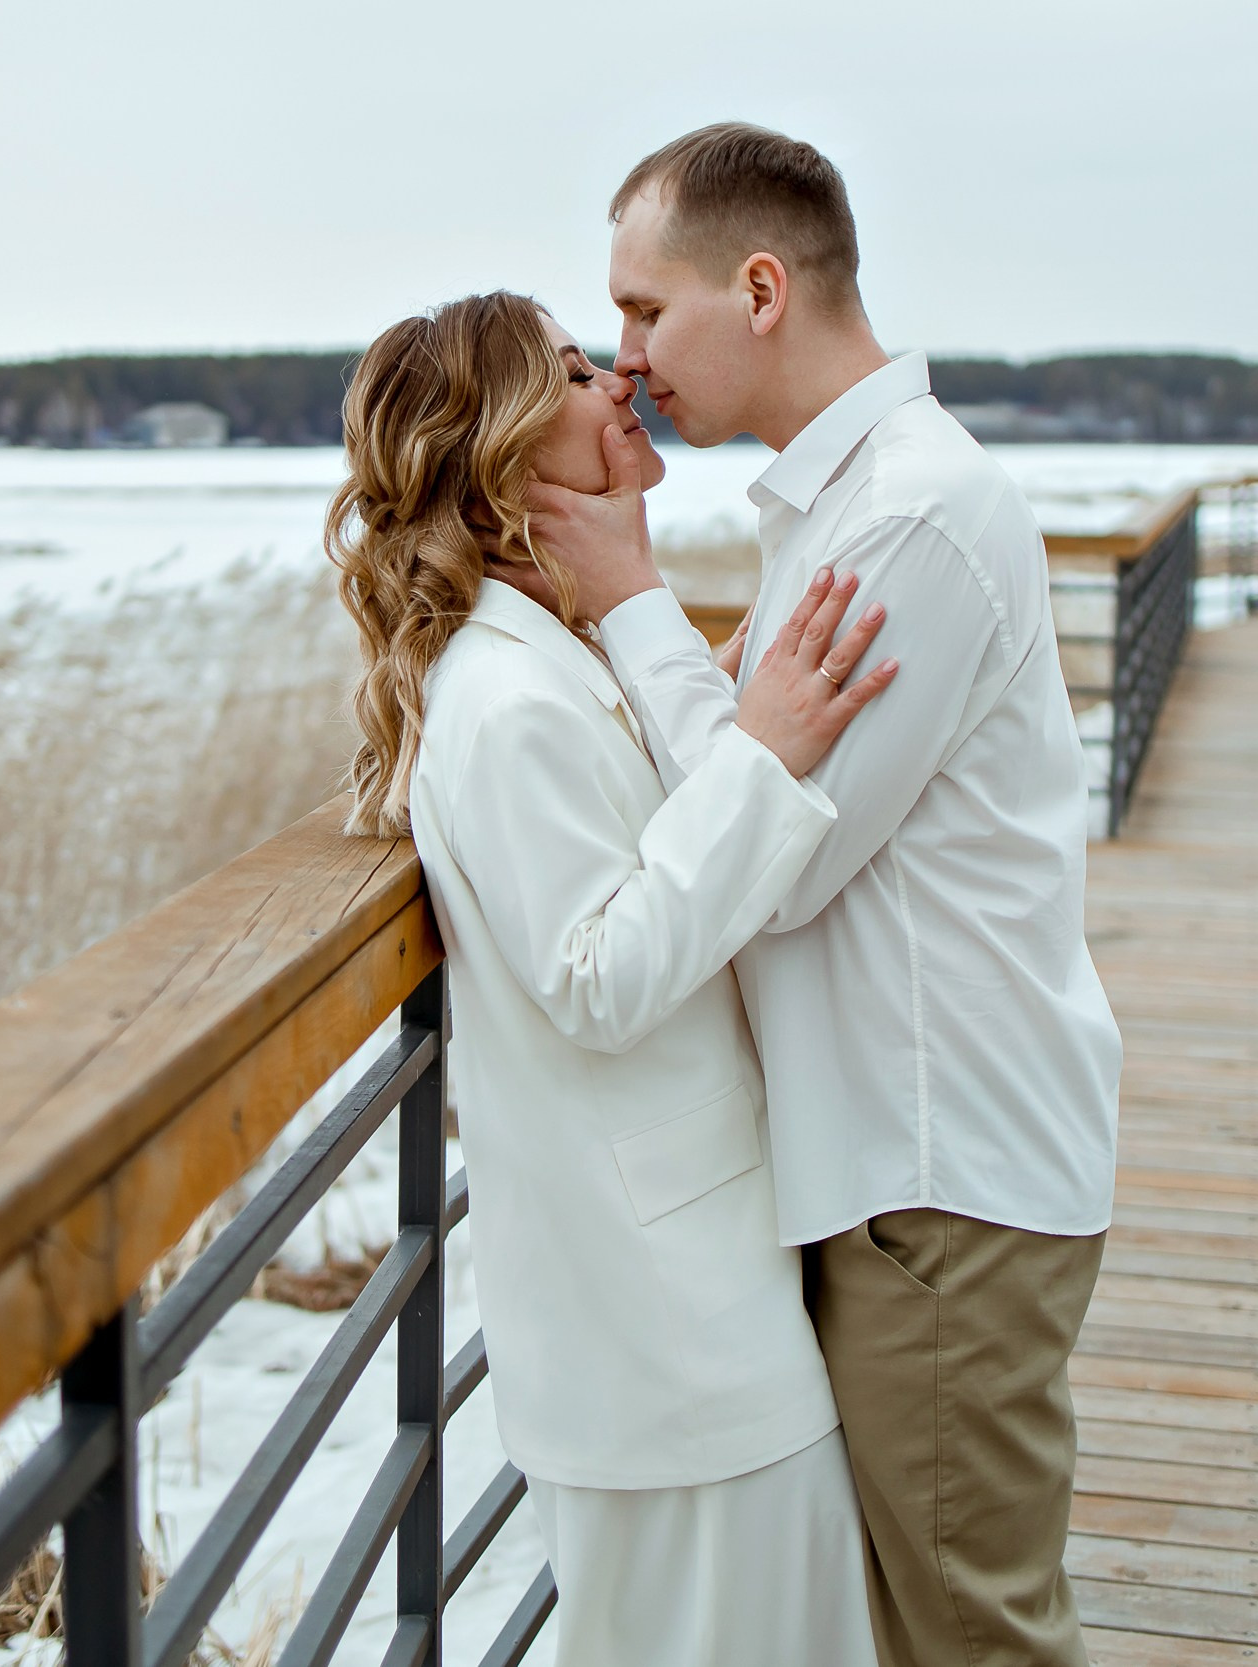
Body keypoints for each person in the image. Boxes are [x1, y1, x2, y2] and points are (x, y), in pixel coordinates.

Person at [523, 124, 1124, 1666]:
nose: (626, 356)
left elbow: (774, 862)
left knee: (970, 1637)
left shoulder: (908, 518)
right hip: (900, 1163)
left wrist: (634, 601)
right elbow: (759, 786)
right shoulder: (851, 506)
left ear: (761, 290)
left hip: (937, 1175)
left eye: (646, 310)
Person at [325, 289, 896, 1667]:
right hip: (670, 1334)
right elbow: (595, 974)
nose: (619, 381)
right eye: (576, 372)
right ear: (506, 457)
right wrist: (761, 758)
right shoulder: (506, 702)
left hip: (693, 1310)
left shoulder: (544, 662)